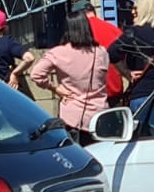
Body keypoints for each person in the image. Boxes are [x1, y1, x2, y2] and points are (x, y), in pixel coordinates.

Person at [28, 12, 110, 144]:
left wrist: (54, 88)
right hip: (100, 116)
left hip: (73, 117)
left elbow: (36, 74)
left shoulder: (58, 53)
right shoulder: (101, 52)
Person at [0, 9, 33, 96]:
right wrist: (15, 73)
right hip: (5, 94)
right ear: (4, 28)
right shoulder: (7, 41)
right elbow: (29, 58)